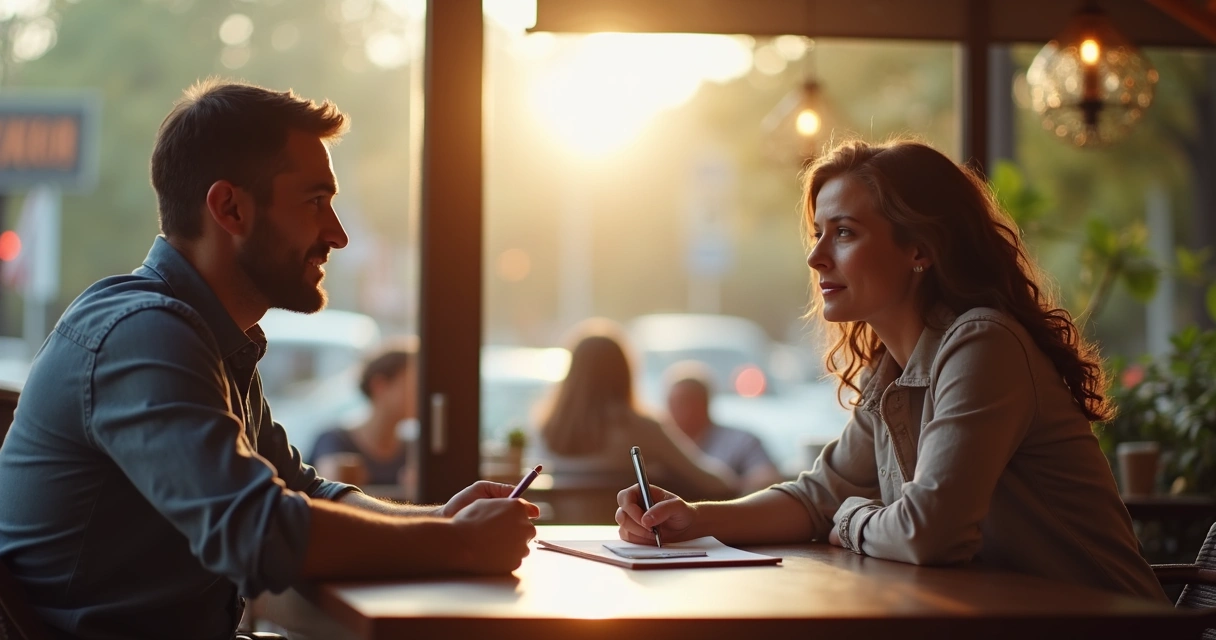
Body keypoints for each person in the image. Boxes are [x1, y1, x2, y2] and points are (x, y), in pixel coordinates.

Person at [0, 80, 537, 640]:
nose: (339, 234)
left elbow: (300, 492)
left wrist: (441, 519)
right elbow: (255, 531)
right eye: (315, 201)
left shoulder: (211, 334)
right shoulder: (143, 333)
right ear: (229, 207)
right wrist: (462, 543)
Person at [616, 138, 1167, 601]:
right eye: (818, 234)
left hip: (1108, 627)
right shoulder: (895, 374)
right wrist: (694, 516)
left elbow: (929, 535)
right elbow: (816, 497)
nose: (816, 258)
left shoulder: (983, 344)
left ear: (919, 249)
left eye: (845, 232)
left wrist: (850, 518)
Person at [530, 318, 737, 502]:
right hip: (630, 539)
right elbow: (716, 485)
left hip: (562, 540)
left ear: (571, 375)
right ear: (625, 374)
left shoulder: (544, 434)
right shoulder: (643, 430)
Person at [310, 338, 418, 488]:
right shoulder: (333, 440)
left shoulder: (412, 449)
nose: (420, 393)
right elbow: (330, 491)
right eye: (412, 384)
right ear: (379, 386)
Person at [663, 361, 783, 495]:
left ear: (705, 403)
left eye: (684, 402)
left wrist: (727, 492)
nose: (674, 410)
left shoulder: (743, 441)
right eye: (671, 403)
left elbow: (767, 479)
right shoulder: (659, 446)